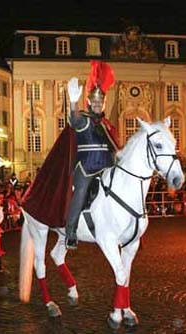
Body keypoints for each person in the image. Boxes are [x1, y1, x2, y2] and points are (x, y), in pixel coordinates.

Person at [65, 61, 120, 250]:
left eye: (100, 102)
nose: (97, 105)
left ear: (104, 103)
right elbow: (74, 120)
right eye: (94, 102)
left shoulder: (106, 124)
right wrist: (73, 102)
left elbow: (114, 147)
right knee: (80, 194)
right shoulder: (84, 120)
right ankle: (70, 232)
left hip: (106, 167)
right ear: (89, 102)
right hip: (87, 168)